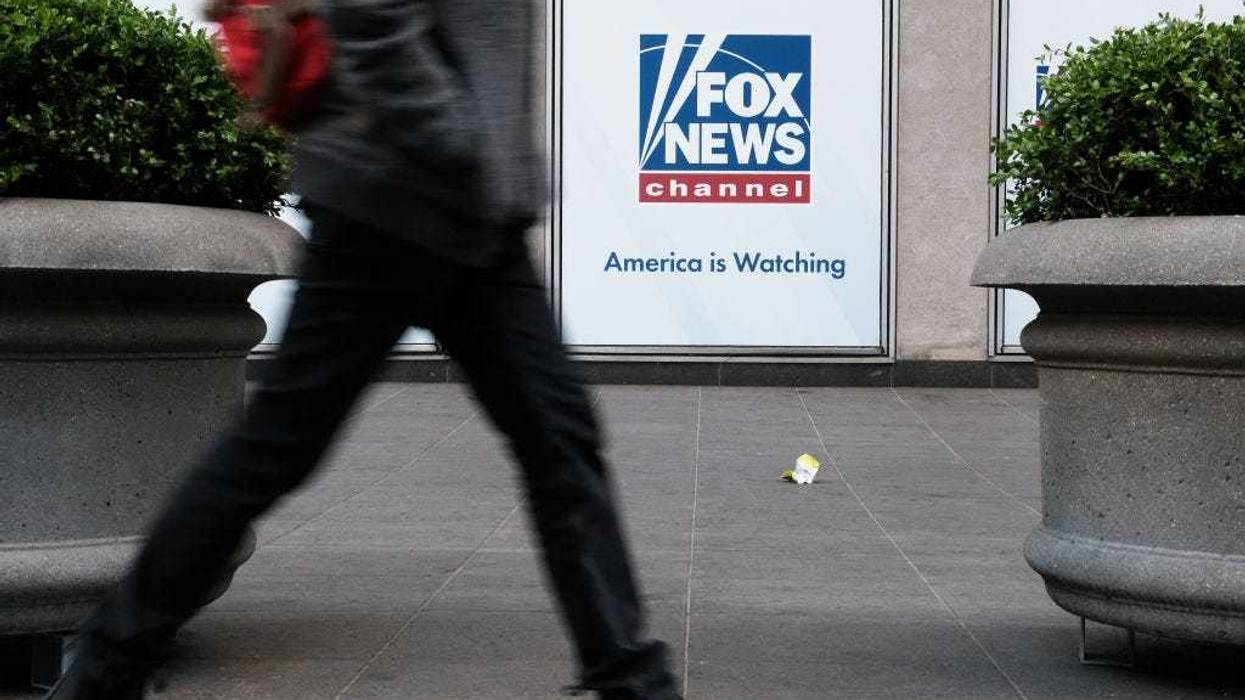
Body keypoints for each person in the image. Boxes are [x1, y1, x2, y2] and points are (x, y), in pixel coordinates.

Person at [46, 1, 683, 698]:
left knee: (560, 441)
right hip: (391, 197)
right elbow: (370, 17)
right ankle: (105, 663)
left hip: (474, 212)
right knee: (277, 447)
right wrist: (457, 142)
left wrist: (498, 173)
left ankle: (631, 678)